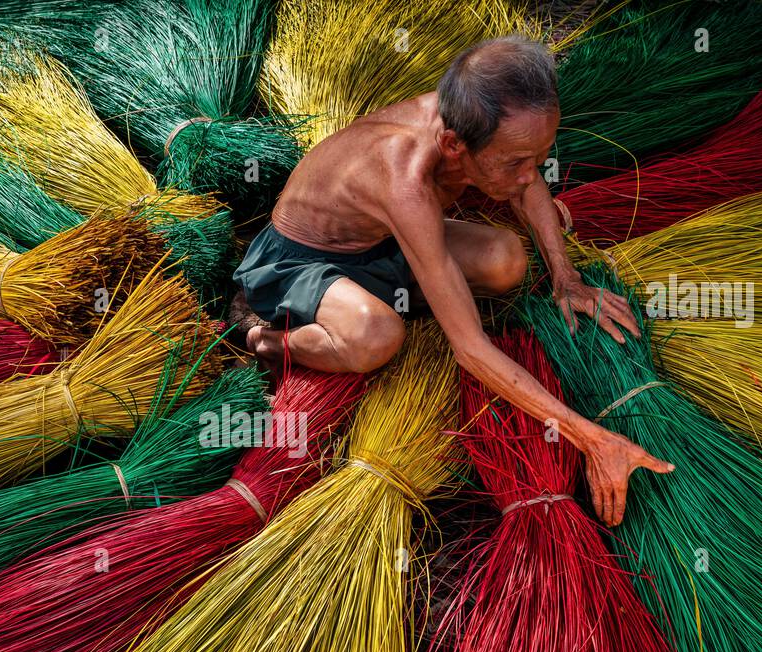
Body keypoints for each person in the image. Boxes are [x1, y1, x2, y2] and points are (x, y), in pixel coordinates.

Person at [231, 36, 674, 527]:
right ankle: (269, 340)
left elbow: (526, 185)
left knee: (507, 259)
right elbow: (471, 349)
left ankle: (398, 299)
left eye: (537, 157)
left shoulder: (472, 121)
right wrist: (591, 437)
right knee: (376, 338)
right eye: (514, 163)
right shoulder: (403, 174)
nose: (530, 176)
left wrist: (566, 277)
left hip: (386, 244)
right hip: (301, 264)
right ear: (452, 146)